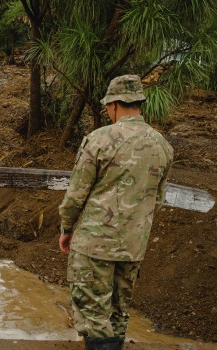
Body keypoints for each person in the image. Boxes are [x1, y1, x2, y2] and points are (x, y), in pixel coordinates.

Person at [58, 75, 173, 350]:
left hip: (95, 246)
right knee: (119, 313)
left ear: (114, 105)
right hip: (133, 246)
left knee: (94, 315)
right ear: (140, 104)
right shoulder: (163, 146)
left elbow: (76, 195)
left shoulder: (98, 140)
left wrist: (66, 229)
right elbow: (156, 200)